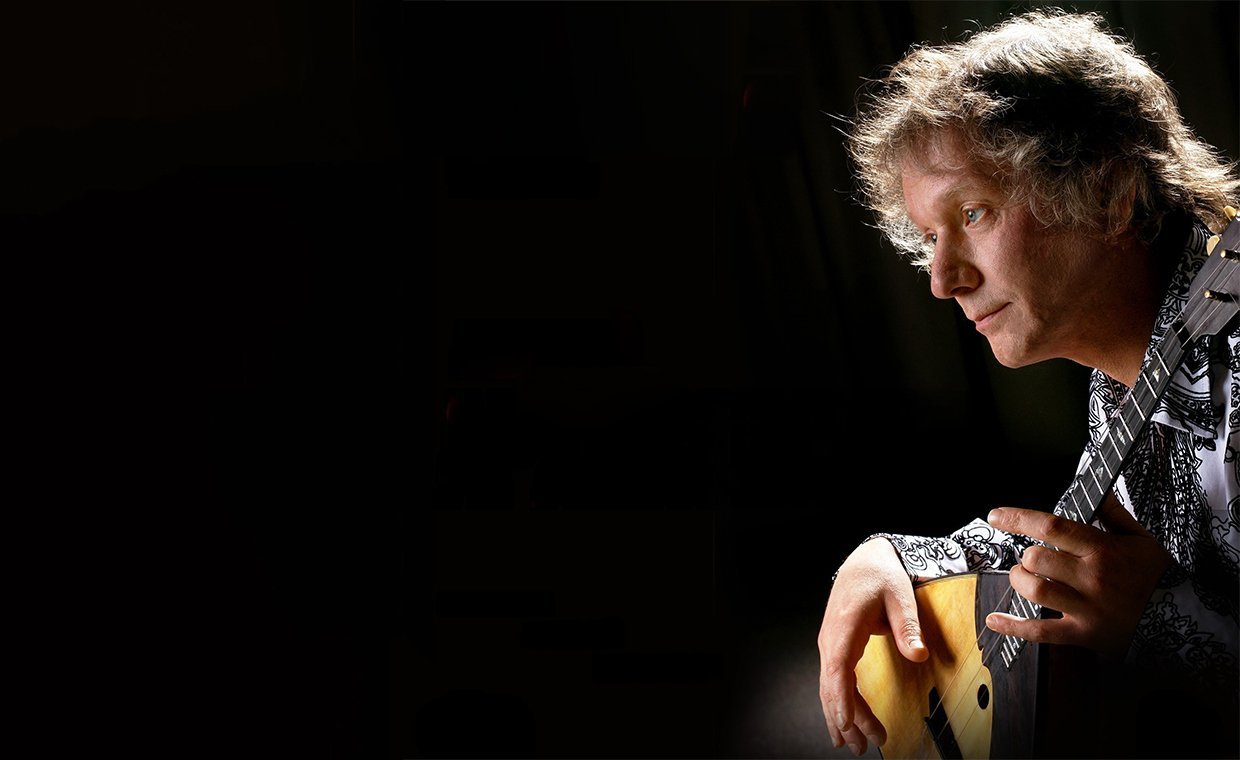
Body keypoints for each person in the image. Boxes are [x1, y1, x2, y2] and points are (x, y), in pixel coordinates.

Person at [817, 9, 1239, 759]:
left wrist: (1163, 629)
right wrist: (891, 559)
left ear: (1108, 193)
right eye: (929, 237)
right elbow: (1078, 549)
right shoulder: (1129, 378)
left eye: (973, 213)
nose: (943, 280)